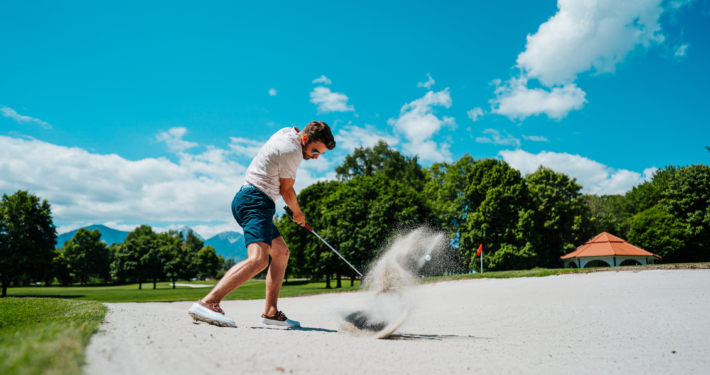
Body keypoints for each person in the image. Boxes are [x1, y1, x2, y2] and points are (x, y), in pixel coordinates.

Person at [188, 121, 336, 328]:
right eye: (314, 151)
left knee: (281, 253)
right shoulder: (292, 150)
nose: (315, 157)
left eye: (320, 154)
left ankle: (270, 313)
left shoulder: (288, 132)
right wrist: (298, 213)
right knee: (258, 260)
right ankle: (208, 303)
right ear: (304, 139)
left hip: (256, 201)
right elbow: (287, 191)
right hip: (254, 201)